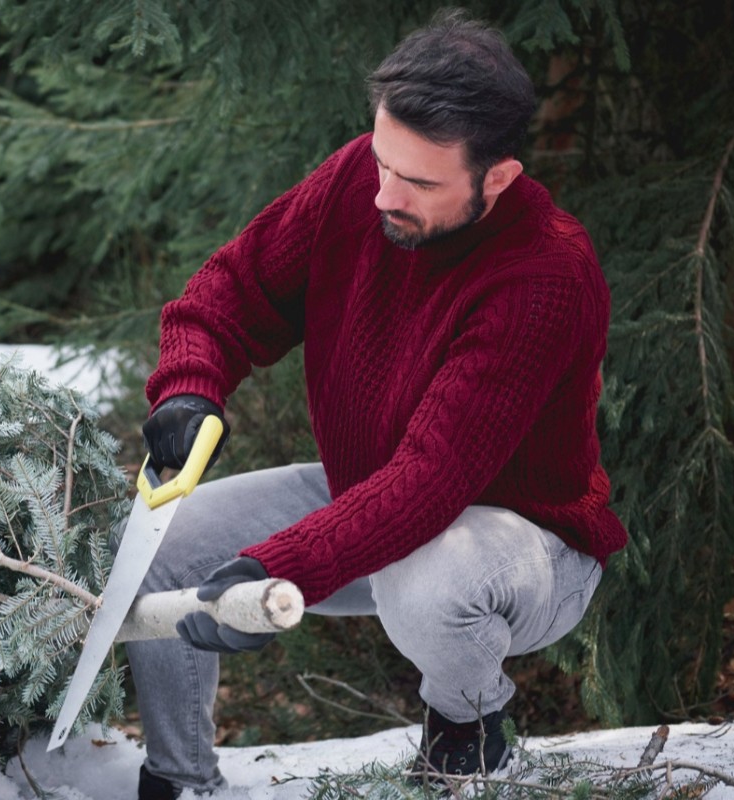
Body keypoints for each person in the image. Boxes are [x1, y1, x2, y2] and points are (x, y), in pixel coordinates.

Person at [127, 9, 628, 799]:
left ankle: (472, 724)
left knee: (431, 578)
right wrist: (192, 386)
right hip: (370, 494)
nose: (382, 194)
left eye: (420, 182)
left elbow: (431, 483)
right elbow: (233, 288)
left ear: (497, 177)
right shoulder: (365, 179)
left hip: (520, 545)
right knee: (168, 546)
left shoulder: (545, 275)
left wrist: (276, 569)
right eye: (383, 161)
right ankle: (179, 779)